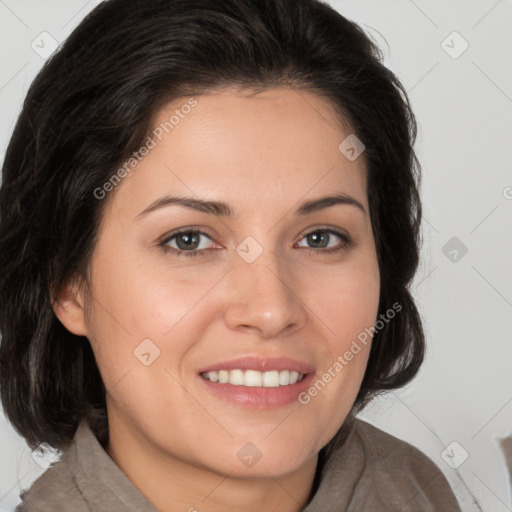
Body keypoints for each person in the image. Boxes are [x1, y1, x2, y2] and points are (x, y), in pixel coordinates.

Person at [0, 0, 461, 510]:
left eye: (320, 237)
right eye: (189, 240)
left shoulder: (414, 489)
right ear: (69, 284)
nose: (270, 310)